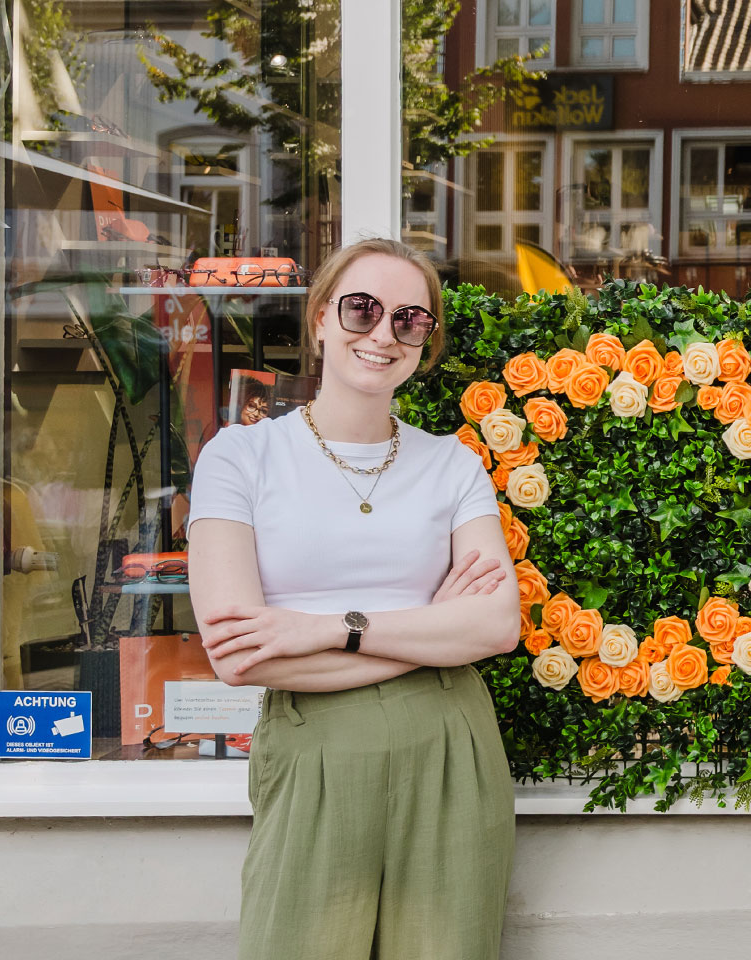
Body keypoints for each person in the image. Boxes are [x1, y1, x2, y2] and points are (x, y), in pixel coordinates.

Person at [187, 237, 524, 959]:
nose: (383, 334)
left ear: (425, 341)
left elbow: (497, 625)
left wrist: (327, 628)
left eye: (409, 319)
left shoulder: (453, 464)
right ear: (319, 318)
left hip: (450, 747)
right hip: (314, 745)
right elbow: (239, 654)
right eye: (361, 309)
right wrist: (433, 630)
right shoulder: (239, 457)